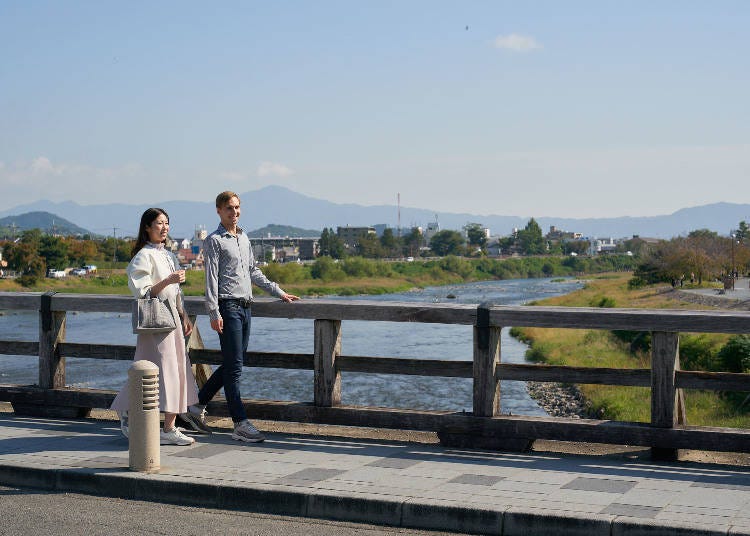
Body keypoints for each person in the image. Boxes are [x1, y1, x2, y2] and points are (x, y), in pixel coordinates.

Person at [179, 191, 299, 443]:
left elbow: (253, 271)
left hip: (246, 306)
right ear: (219, 211)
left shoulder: (243, 237)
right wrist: (214, 311)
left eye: (237, 207)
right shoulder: (214, 241)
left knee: (234, 363)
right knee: (235, 368)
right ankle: (240, 423)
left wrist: (279, 291)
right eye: (229, 208)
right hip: (228, 306)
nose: (234, 212)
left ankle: (195, 407)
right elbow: (210, 279)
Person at [111, 208, 200, 446]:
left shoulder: (168, 255)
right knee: (157, 371)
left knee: (177, 370)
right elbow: (142, 292)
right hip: (155, 323)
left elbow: (176, 292)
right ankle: (133, 411)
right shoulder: (143, 256)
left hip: (172, 320)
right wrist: (168, 281)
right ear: (147, 228)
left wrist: (184, 315)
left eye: (167, 223)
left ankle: (168, 426)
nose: (164, 227)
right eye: (159, 223)